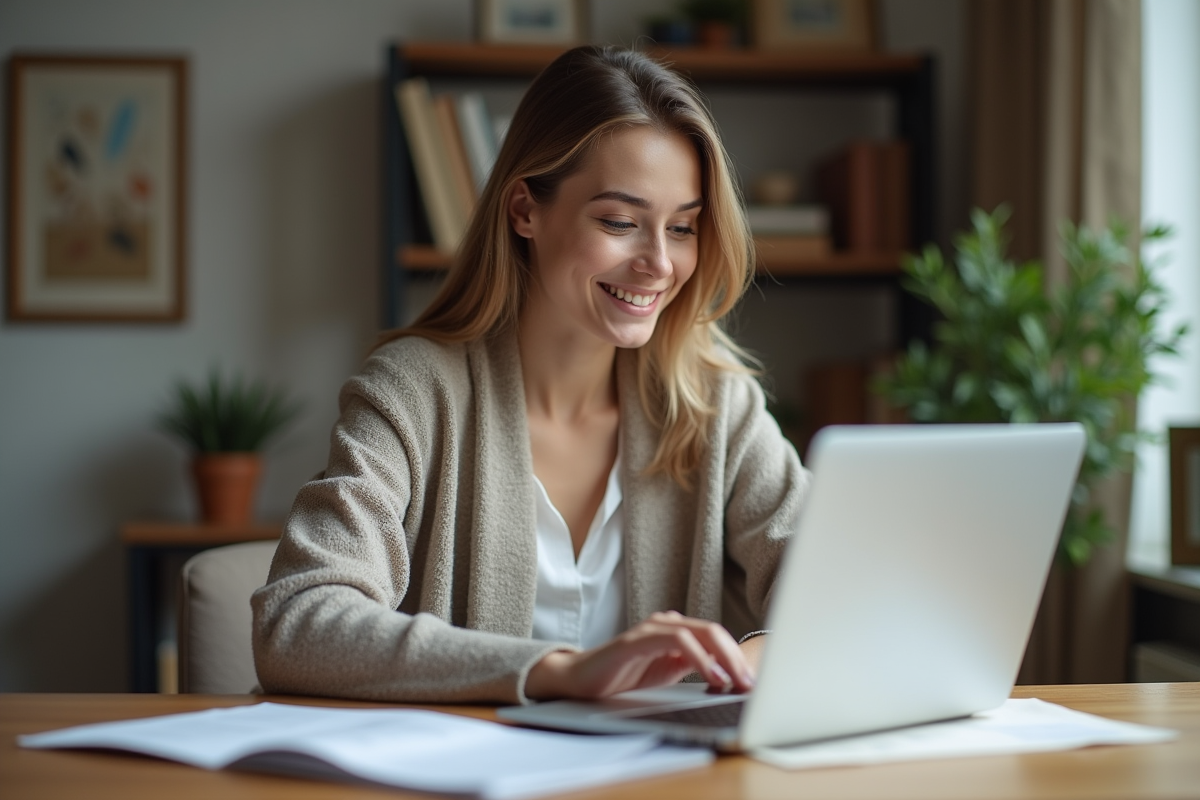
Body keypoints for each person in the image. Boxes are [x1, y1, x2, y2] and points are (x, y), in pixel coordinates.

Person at [251, 45, 810, 705]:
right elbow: (297, 621)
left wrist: (750, 658)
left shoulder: (717, 407)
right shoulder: (413, 392)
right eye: (620, 222)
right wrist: (559, 671)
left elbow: (845, 589)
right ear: (525, 211)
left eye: (683, 227)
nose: (660, 263)